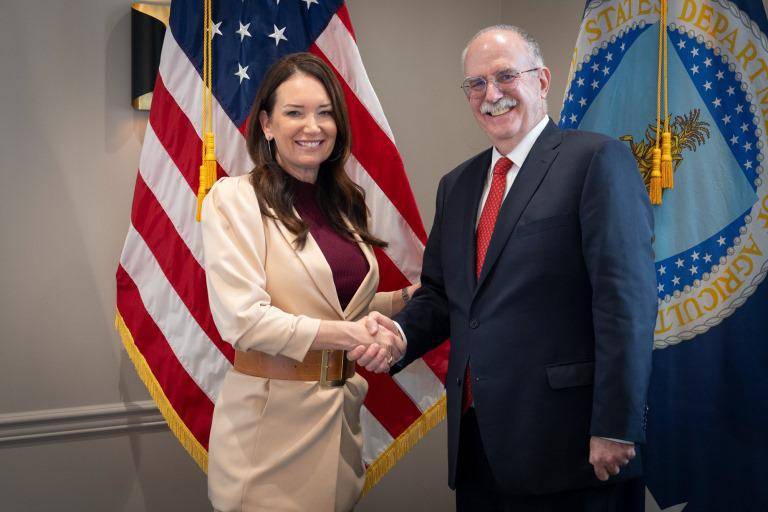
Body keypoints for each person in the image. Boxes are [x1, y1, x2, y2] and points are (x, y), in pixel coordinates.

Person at [368, 25, 657, 511]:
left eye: (505, 76)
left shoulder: (596, 160)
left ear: (541, 81)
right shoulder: (457, 185)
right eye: (476, 83)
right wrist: (399, 334)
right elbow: (441, 294)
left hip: (574, 448)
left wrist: (616, 424)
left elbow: (626, 302)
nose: (491, 94)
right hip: (479, 446)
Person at [200, 52, 414, 512]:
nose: (312, 127)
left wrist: (403, 300)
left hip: (339, 425)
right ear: (267, 124)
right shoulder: (234, 199)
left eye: (325, 113)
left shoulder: (344, 203)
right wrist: (355, 335)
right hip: (268, 434)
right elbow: (244, 320)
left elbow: (335, 307)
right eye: (294, 113)